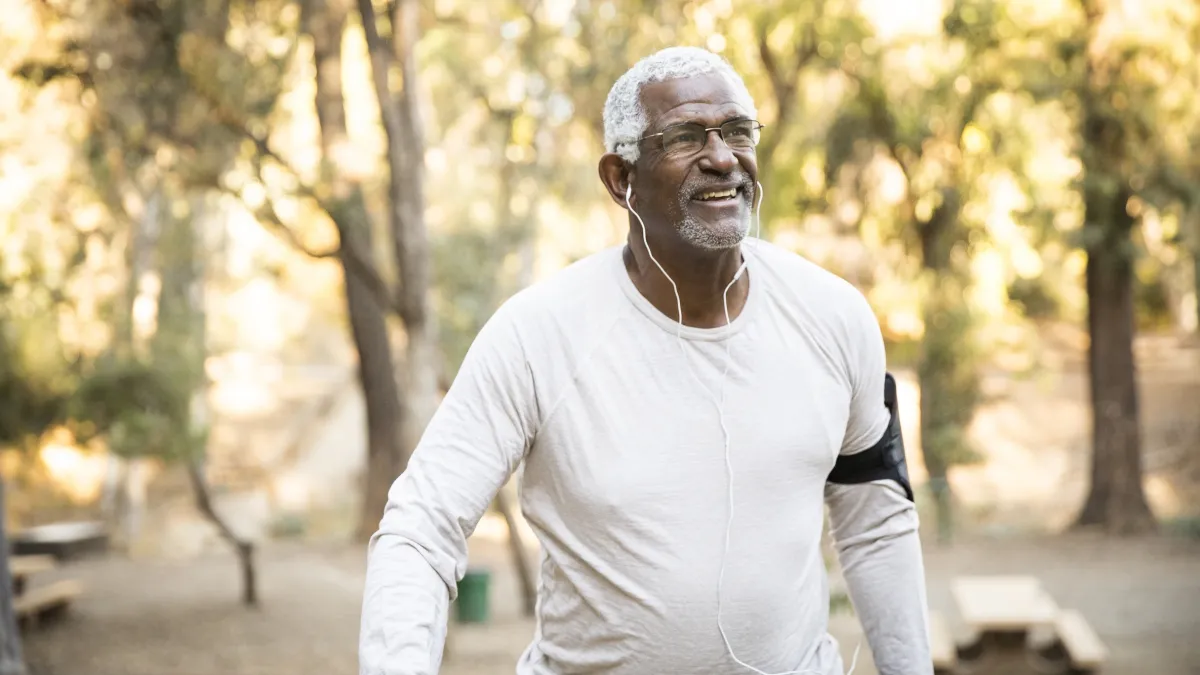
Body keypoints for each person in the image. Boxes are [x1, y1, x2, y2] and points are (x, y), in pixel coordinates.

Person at [359, 46, 932, 675]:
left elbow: (877, 525)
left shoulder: (834, 316)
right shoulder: (537, 336)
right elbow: (420, 530)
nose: (722, 157)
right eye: (685, 137)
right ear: (620, 178)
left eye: (738, 131)